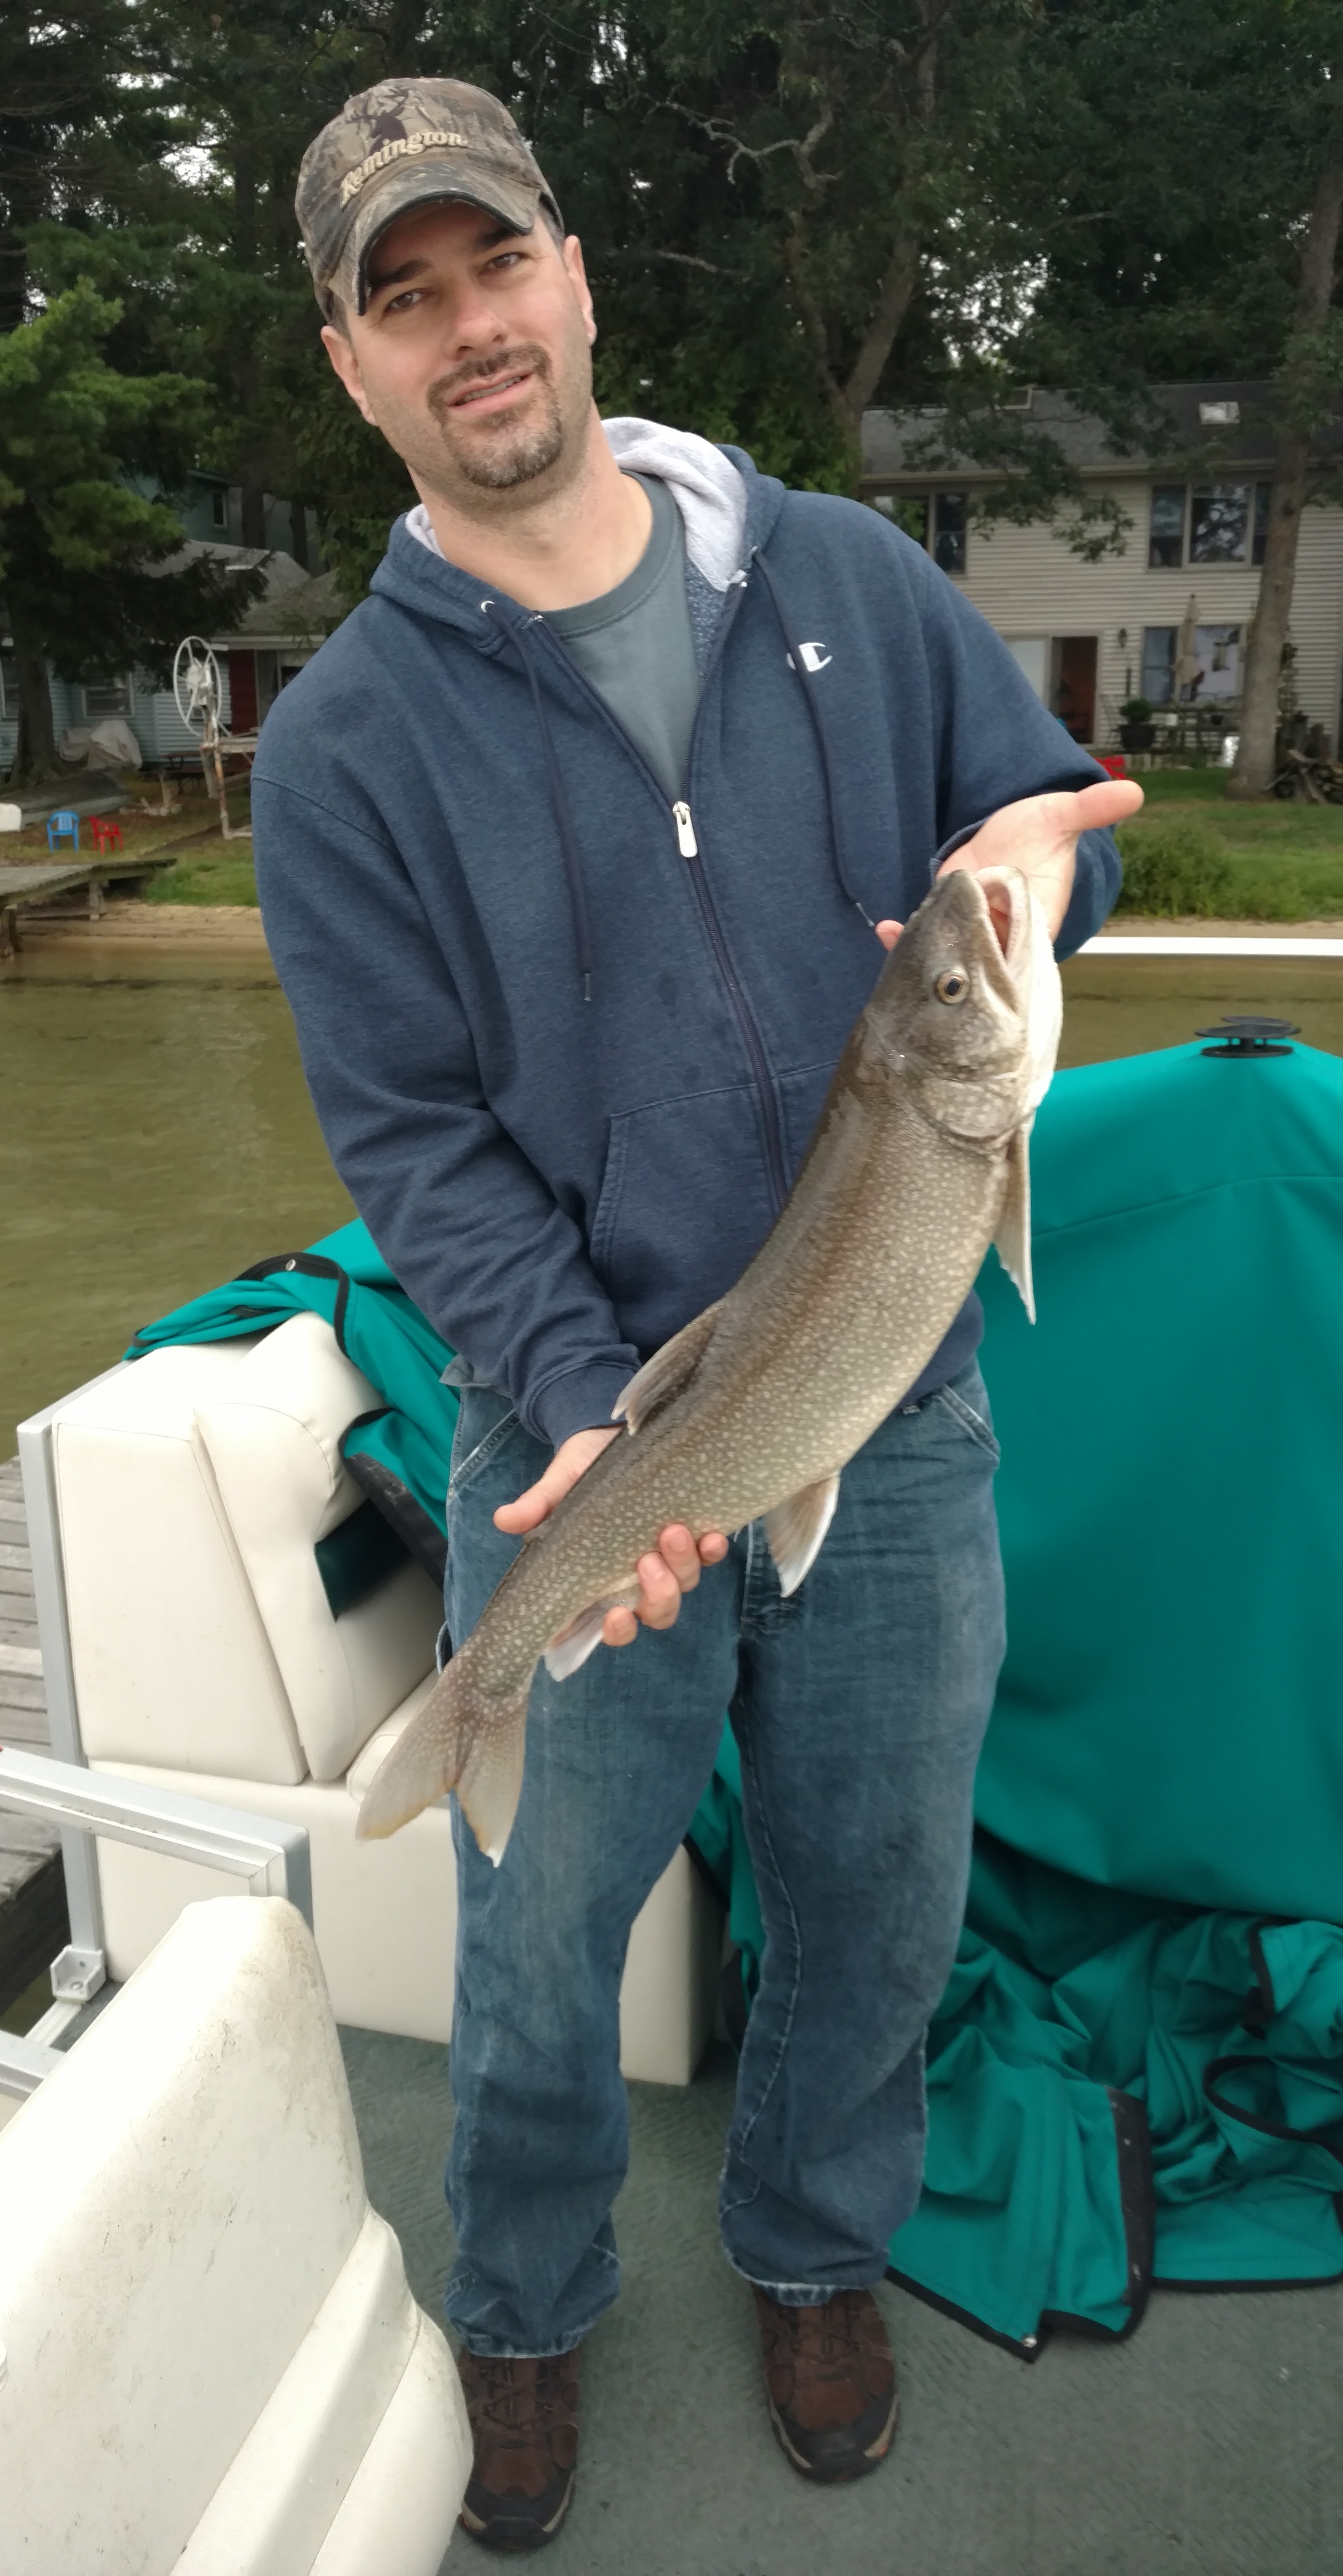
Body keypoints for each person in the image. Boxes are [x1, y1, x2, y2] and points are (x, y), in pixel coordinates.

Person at [253, 75, 1141, 2554]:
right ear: (351, 365)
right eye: (397, 298)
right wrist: (558, 1413)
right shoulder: (338, 749)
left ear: (572, 275)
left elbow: (1049, 821)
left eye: (488, 267)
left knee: (878, 1890)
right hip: (592, 1429)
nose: (467, 331)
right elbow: (418, 1147)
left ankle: (809, 2251)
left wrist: (1028, 882)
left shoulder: (850, 575)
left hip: (898, 1405)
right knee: (541, 1927)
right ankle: (518, 2308)